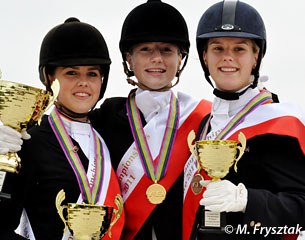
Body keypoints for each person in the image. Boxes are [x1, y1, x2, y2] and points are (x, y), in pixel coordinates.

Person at [182, 0, 305, 240]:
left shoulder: (279, 125)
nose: (228, 57)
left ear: (255, 57)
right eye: (217, 48)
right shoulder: (205, 124)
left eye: (239, 49)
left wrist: (247, 199)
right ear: (205, 57)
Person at [89, 0, 211, 239]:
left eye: (167, 50)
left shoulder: (203, 118)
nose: (157, 58)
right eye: (145, 49)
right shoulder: (104, 118)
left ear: (180, 58)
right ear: (129, 59)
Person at [0, 18, 124, 240]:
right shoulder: (29, 140)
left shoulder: (110, 132)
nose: (83, 82)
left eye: (92, 73)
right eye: (71, 73)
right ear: (50, 77)